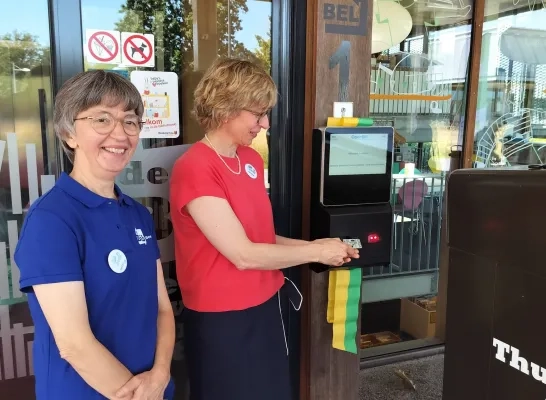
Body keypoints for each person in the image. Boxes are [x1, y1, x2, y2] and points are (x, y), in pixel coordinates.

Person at [169, 58, 360, 400]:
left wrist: (316, 244)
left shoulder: (251, 160)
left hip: (266, 305)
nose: (265, 124)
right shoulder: (195, 168)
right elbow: (242, 254)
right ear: (225, 108)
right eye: (257, 114)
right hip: (222, 319)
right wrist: (315, 252)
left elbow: (261, 237)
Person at [14, 70, 175, 400]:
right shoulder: (51, 219)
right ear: (68, 133)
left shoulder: (138, 214)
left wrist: (159, 377)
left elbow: (162, 309)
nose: (121, 133)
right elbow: (75, 344)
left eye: (130, 121)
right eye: (102, 119)